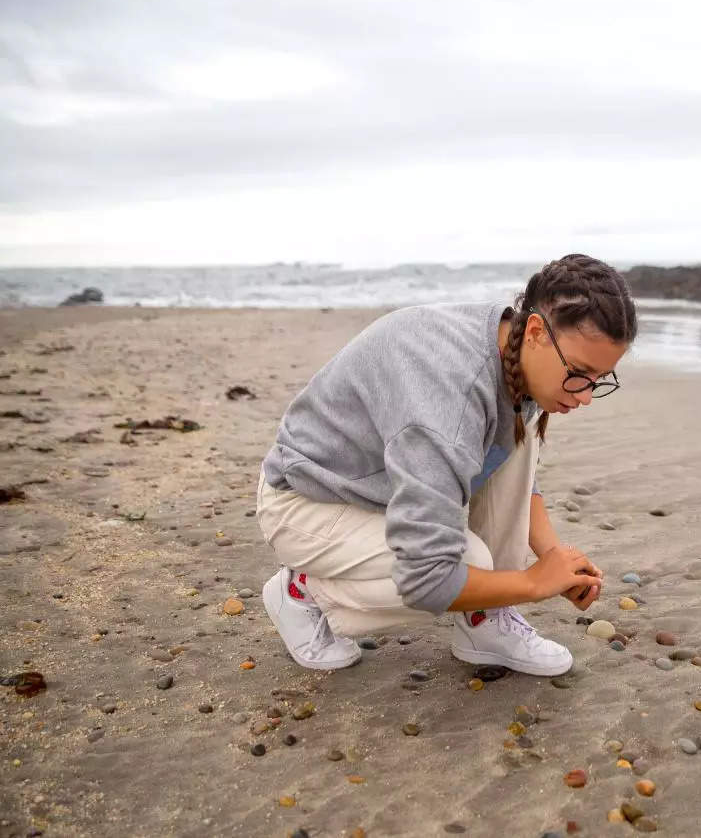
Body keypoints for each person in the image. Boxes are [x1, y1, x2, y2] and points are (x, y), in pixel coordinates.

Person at [255, 254, 637, 677]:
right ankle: (302, 590)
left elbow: (515, 476)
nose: (584, 396)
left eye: (599, 380)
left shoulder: (513, 351)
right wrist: (534, 584)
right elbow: (428, 579)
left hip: (378, 485)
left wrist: (557, 561)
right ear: (535, 332)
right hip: (306, 501)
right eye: (580, 374)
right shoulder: (448, 397)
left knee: (518, 439)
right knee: (465, 561)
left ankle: (485, 622)